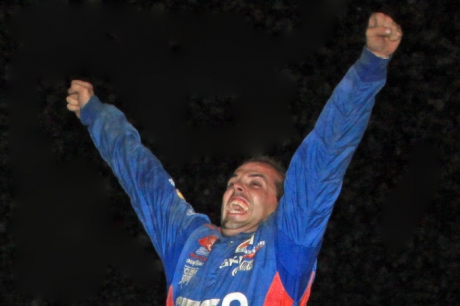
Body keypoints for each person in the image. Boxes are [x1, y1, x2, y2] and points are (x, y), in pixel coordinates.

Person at [66, 12, 402, 306]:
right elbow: (144, 179)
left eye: (255, 184)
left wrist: (370, 67)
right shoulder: (189, 242)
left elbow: (324, 155)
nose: (237, 189)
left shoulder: (285, 244)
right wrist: (96, 115)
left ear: (279, 204)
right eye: (233, 183)